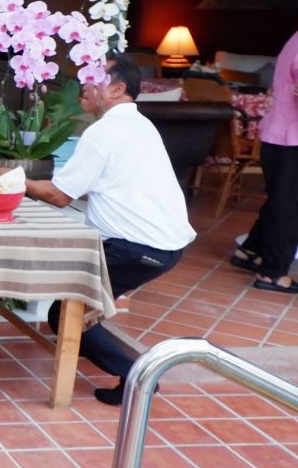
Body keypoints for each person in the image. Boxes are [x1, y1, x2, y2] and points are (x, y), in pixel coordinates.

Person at [25, 54, 195, 405]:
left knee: (66, 314)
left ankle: (138, 377)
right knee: (83, 311)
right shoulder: (140, 125)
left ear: (117, 89)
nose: (82, 85)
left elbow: (59, 195)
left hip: (136, 249)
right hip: (162, 248)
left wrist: (12, 180)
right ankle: (131, 373)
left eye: (92, 77)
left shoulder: (104, 131)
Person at [233, 29, 298, 293]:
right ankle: (272, 273)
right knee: (289, 207)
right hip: (291, 139)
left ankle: (250, 250)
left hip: (280, 135)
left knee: (281, 202)